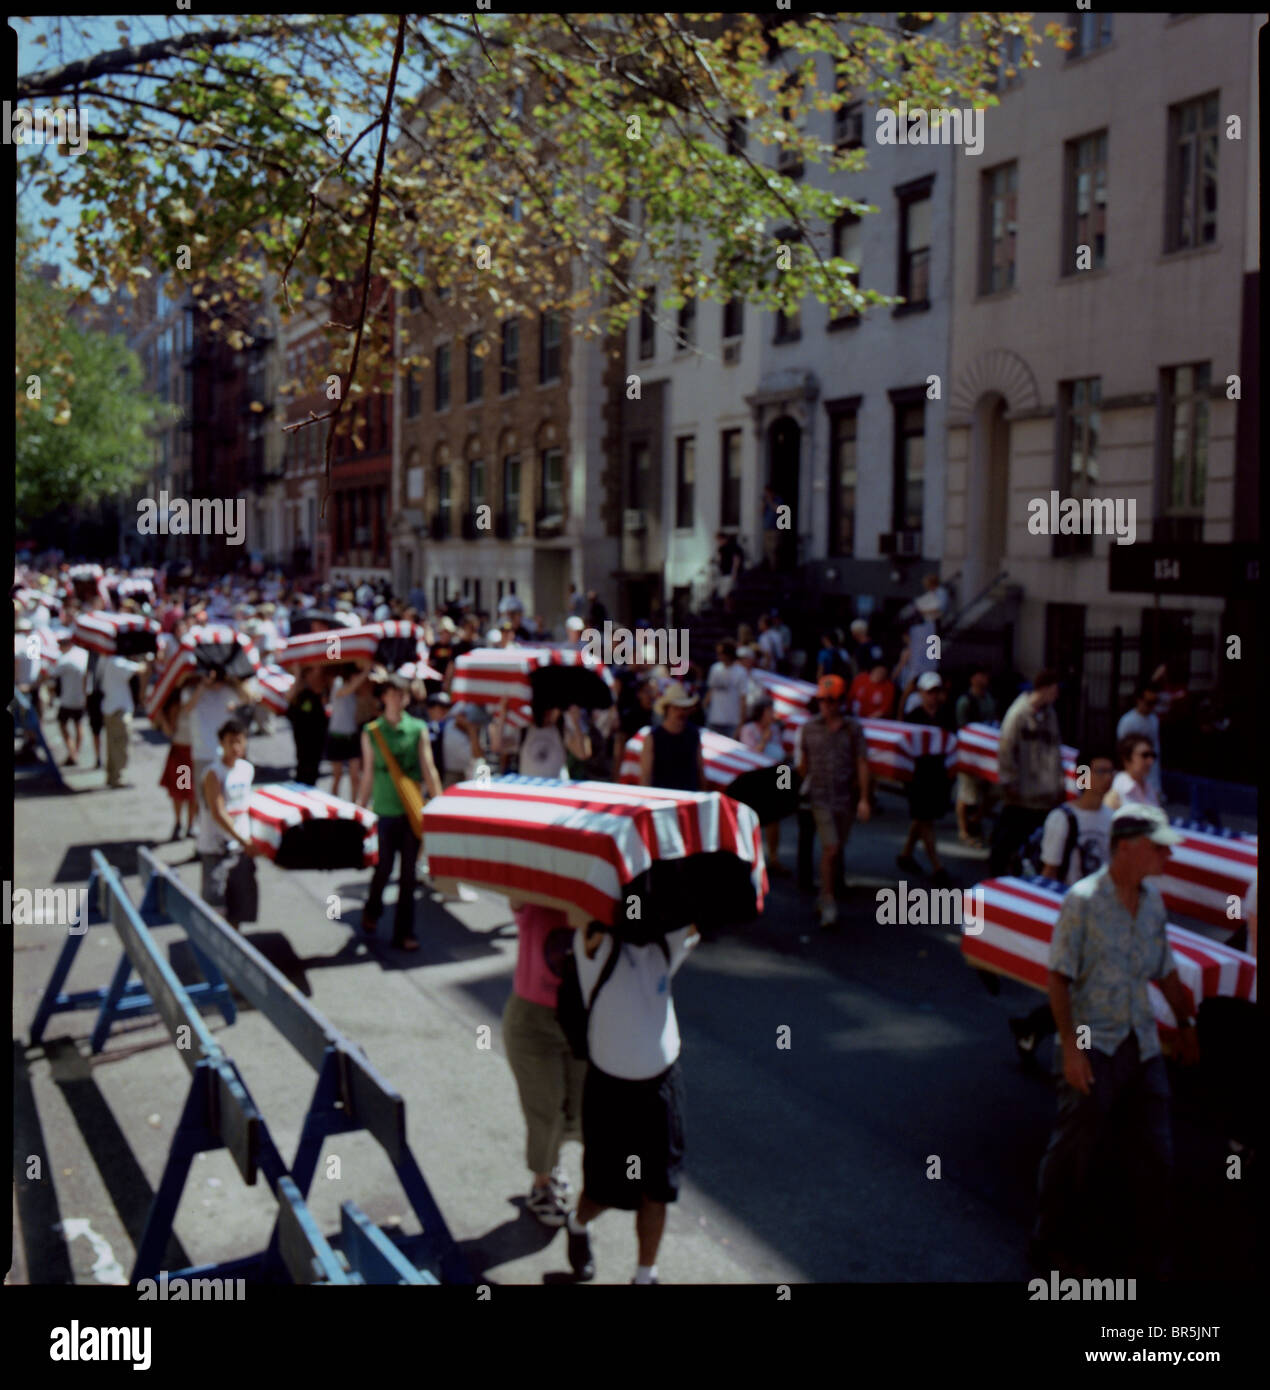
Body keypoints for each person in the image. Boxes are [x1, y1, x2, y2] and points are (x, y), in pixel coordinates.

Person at [1031, 805, 1198, 1279]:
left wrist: (1185, 1024)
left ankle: (1148, 1251)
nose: (1166, 855)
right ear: (1127, 848)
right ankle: (1049, 1242)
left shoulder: (1153, 903)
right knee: (1075, 1150)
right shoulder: (1082, 901)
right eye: (1157, 846)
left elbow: (1164, 969)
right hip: (1094, 1042)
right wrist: (1070, 1049)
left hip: (1140, 1043)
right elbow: (1059, 979)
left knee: (1156, 1152)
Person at [565, 918, 700, 1284]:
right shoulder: (595, 941)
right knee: (602, 1193)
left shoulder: (664, 939)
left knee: (657, 1190)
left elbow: (696, 917)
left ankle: (645, 1275)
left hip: (660, 1088)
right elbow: (585, 929)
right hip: (609, 1092)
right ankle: (577, 1225)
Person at [1008, 751, 1116, 1071]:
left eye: (1111, 771)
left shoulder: (1111, 819)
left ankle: (1035, 1028)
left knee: (1086, 989)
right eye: (1100, 771)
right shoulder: (1063, 819)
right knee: (1080, 989)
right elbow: (1049, 874)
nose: (1108, 778)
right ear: (1083, 776)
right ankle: (1073, 1052)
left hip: (1101, 914)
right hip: (1071, 915)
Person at [503, 903, 587, 1226]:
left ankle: (552, 1165)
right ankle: (542, 1184)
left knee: (577, 1112)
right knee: (545, 1109)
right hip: (532, 1022)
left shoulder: (594, 893)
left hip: (582, 1019)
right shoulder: (531, 893)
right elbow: (513, 887)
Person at [357, 672, 442, 951]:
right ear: (384, 697)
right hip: (383, 812)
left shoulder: (418, 729)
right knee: (382, 869)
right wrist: (359, 810)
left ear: (407, 698)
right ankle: (372, 910)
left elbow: (428, 769)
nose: (395, 699)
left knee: (408, 875)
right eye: (391, 694)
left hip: (410, 811)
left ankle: (404, 932)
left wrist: (440, 805)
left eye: (401, 694)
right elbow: (367, 774)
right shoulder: (372, 732)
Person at [797, 675, 872, 928]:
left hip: (845, 798)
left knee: (838, 846)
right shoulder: (809, 728)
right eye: (821, 700)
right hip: (819, 798)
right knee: (830, 848)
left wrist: (863, 798)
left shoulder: (854, 729)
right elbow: (801, 765)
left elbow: (862, 762)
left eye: (831, 700)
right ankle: (827, 900)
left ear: (841, 701)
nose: (826, 705)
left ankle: (830, 887)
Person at [989, 670, 1064, 876]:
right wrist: (1009, 781)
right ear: (1045, 689)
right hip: (1021, 793)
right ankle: (998, 876)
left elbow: (1056, 751)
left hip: (1044, 793)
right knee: (1008, 839)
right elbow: (1005, 749)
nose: (1057, 695)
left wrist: (1059, 783)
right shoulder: (1018, 713)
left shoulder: (1050, 715)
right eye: (1055, 690)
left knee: (1039, 843)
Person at [196, 717, 263, 931]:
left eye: (239, 742)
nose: (235, 747)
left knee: (238, 904)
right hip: (216, 848)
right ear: (221, 744)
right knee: (215, 902)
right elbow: (217, 811)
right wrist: (243, 840)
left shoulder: (246, 769)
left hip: (239, 849)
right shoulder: (213, 774)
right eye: (230, 742)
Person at [896, 673, 954, 886]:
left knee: (922, 817)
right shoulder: (914, 717)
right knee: (925, 819)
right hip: (918, 776)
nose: (933, 696)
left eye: (936, 691)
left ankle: (905, 854)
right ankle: (937, 866)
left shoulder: (946, 714)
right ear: (920, 693)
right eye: (929, 692)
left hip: (937, 775)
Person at [739, 698, 790, 876]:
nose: (772, 715)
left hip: (774, 776)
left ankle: (774, 858)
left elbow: (781, 752)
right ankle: (750, 859)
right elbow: (750, 755)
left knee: (774, 819)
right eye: (769, 711)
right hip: (754, 778)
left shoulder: (776, 729)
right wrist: (764, 739)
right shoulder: (748, 730)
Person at [954, 667, 997, 847]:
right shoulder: (965, 701)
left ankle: (976, 821)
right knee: (966, 792)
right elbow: (962, 727)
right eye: (979, 674)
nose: (983, 678)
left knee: (989, 792)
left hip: (986, 752)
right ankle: (963, 829)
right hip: (970, 752)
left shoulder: (989, 699)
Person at [99, 649, 151, 789]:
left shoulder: (106, 660)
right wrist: (145, 659)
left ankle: (112, 776)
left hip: (110, 707)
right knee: (121, 745)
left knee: (112, 745)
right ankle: (118, 777)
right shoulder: (117, 662)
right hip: (118, 710)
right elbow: (142, 669)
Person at [640, 683, 705, 792]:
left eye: (684, 709)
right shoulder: (653, 737)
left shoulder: (693, 734)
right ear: (667, 709)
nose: (681, 713)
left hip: (688, 796)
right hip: (662, 797)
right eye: (676, 708)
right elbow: (646, 776)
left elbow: (700, 770)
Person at [155, 682, 198, 839]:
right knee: (181, 792)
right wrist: (161, 717)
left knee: (194, 793)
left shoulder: (202, 698)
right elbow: (169, 731)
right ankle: (179, 823)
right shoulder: (176, 704)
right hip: (182, 752)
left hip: (197, 753)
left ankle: (191, 824)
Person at [328, 660, 373, 801]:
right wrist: (366, 671)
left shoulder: (358, 693)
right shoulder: (338, 684)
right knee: (337, 776)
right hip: (336, 735)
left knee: (355, 777)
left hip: (352, 736)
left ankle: (353, 806)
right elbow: (349, 689)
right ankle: (333, 805)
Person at [1116, 685, 1163, 805]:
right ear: (1139, 700)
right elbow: (1124, 750)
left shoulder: (1154, 719)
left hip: (1151, 777)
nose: (1152, 707)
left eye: (1155, 703)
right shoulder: (1128, 721)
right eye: (1149, 702)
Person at [516, 704, 590, 780]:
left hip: (555, 788)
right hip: (529, 788)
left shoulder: (561, 731)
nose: (556, 712)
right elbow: (504, 748)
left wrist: (576, 723)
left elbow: (582, 754)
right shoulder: (525, 730)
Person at [50, 631, 89, 767]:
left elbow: (51, 674)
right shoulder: (83, 654)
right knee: (78, 724)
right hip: (82, 697)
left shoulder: (65, 659)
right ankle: (75, 752)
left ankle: (73, 752)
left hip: (68, 699)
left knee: (63, 724)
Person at [287, 665, 330, 787]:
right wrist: (297, 673)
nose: (317, 676)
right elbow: (288, 698)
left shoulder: (322, 692)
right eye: (312, 673)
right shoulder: (300, 691)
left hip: (317, 737)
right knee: (303, 766)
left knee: (313, 768)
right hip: (302, 737)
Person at [704, 640, 749, 740]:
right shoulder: (714, 668)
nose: (718, 656)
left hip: (731, 722)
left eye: (721, 653)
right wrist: (704, 705)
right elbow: (711, 690)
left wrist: (741, 723)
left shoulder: (741, 672)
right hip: (714, 719)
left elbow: (743, 699)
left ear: (728, 654)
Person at [1104, 734, 1161, 811]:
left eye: (1152, 756)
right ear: (1126, 759)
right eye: (1145, 755)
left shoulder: (1150, 788)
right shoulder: (1114, 790)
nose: (1150, 761)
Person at [761, 486, 783, 572]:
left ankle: (774, 568)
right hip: (767, 528)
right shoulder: (765, 501)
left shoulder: (778, 500)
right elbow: (761, 513)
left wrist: (770, 501)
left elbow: (779, 510)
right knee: (767, 548)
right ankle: (769, 566)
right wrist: (764, 503)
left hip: (775, 528)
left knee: (774, 548)